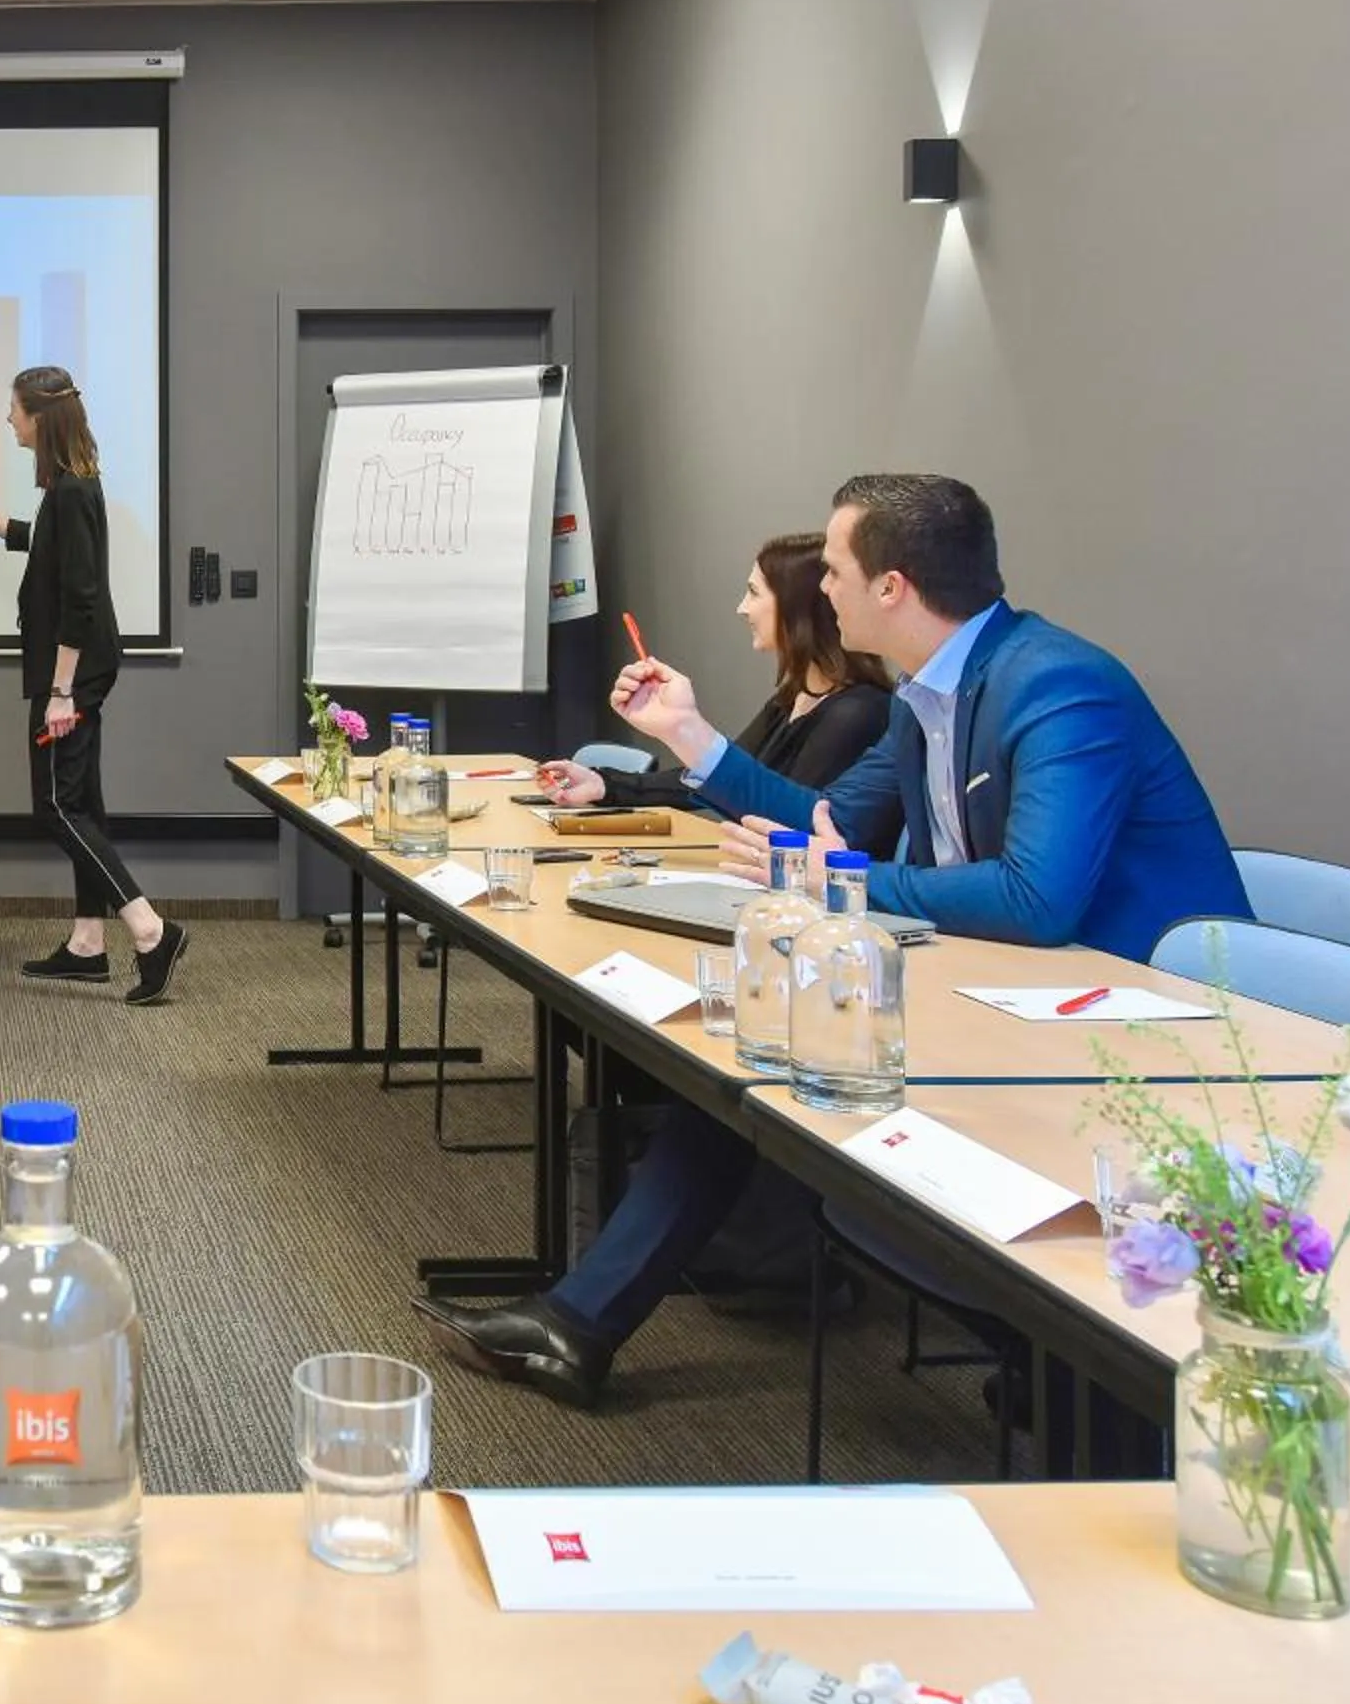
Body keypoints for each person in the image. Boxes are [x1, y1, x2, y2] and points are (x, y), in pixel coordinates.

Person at [418, 473, 1248, 1407]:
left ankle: (1070, 1370)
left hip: (1136, 1022)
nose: (828, 591)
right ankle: (577, 1327)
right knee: (755, 1077)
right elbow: (823, 820)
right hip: (1011, 991)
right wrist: (689, 736)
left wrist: (837, 879)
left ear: (891, 587)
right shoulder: (926, 697)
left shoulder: (1057, 684)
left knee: (817, 1110)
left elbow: (1037, 897)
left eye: (840, 570)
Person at [0, 365, 186, 1005]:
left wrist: (60, 691)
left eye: (12, 410)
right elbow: (33, 541)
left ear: (39, 417)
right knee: (82, 804)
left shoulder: (72, 491)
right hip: (80, 668)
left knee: (57, 807)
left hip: (72, 673)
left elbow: (81, 600)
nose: (7, 420)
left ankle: (151, 932)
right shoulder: (70, 486)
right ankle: (88, 945)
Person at [540, 532, 891, 810]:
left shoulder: (858, 712)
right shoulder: (792, 698)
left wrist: (683, 730)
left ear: (798, 607)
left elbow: (785, 813)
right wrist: (605, 785)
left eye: (754, 593)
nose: (742, 608)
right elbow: (722, 775)